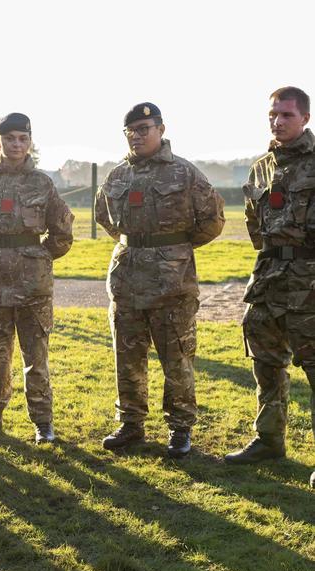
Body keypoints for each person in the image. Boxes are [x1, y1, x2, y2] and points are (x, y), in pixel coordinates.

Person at [95, 103, 224, 458]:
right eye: (131, 130)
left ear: (161, 129)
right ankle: (131, 423)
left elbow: (212, 220)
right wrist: (136, 245)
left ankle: (180, 428)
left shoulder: (184, 173)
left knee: (176, 357)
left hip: (172, 284)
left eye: (144, 128)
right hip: (127, 281)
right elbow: (103, 216)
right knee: (128, 356)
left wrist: (174, 249)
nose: (137, 135)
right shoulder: (117, 176)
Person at [0, 113, 74, 444]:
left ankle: (42, 421)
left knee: (35, 355)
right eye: (10, 139)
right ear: (0, 142)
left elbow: (62, 227)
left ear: (30, 142)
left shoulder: (41, 182)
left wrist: (41, 256)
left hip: (31, 283)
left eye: (23, 139)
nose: (17, 145)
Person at [224, 87, 315, 486]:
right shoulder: (260, 168)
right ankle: (269, 439)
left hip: (309, 283)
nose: (278, 122)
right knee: (266, 364)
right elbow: (253, 223)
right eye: (273, 115)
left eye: (286, 115)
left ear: (305, 119)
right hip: (268, 278)